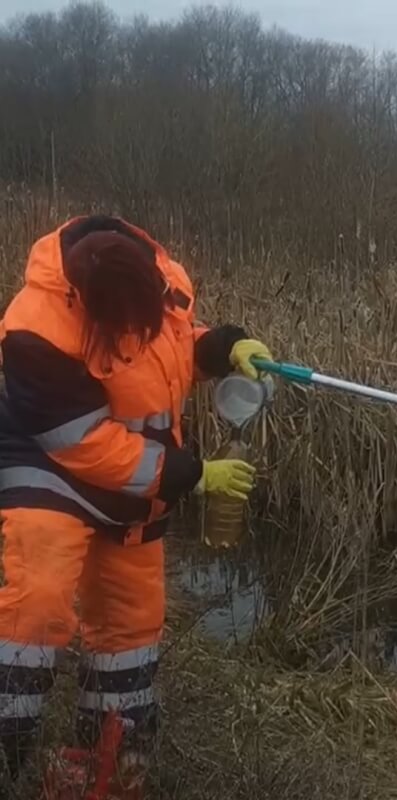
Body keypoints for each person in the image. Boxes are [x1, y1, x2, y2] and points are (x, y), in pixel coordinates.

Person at [0, 216, 273, 782]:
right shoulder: (35, 330)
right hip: (47, 464)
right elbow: (86, 447)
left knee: (131, 620)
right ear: (91, 306)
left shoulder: (158, 286)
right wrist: (193, 474)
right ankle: (9, 752)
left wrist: (225, 348)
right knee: (40, 597)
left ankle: (111, 753)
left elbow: (170, 358)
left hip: (131, 486)